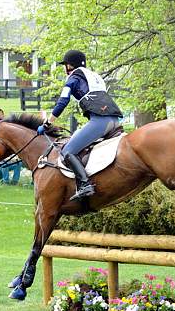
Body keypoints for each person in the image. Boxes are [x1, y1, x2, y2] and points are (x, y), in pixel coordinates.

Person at [37, 50, 123, 200]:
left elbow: (62, 102)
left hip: (100, 122)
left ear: (70, 65)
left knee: (68, 150)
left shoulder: (73, 79)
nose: (64, 68)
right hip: (115, 121)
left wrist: (47, 123)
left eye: (65, 65)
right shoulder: (95, 77)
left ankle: (85, 184)